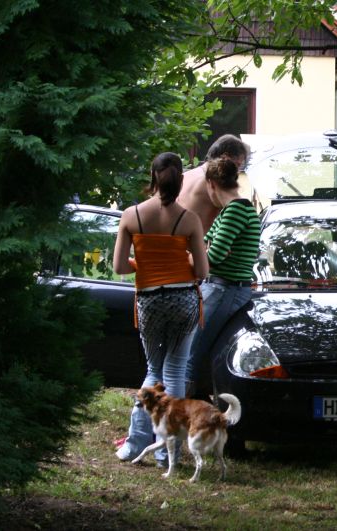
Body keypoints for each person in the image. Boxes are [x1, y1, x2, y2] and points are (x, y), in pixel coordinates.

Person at [112, 152, 209, 465]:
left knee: (154, 370)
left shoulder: (131, 216)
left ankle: (134, 446)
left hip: (150, 301)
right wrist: (182, 261)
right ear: (180, 179)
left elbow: (119, 267)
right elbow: (202, 271)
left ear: (152, 177)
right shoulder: (189, 219)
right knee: (175, 371)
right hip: (184, 301)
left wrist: (143, 264)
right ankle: (168, 455)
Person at [186, 157, 261, 398]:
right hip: (222, 288)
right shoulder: (232, 211)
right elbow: (206, 246)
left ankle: (177, 415)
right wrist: (203, 251)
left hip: (224, 289)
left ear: (211, 184)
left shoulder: (236, 211)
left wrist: (195, 255)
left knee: (187, 358)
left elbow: (213, 256)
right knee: (192, 356)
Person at [178, 134, 251, 232]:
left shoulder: (186, 175)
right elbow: (239, 211)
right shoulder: (215, 181)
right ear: (225, 157)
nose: (237, 171)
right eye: (237, 165)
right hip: (201, 240)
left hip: (178, 238)